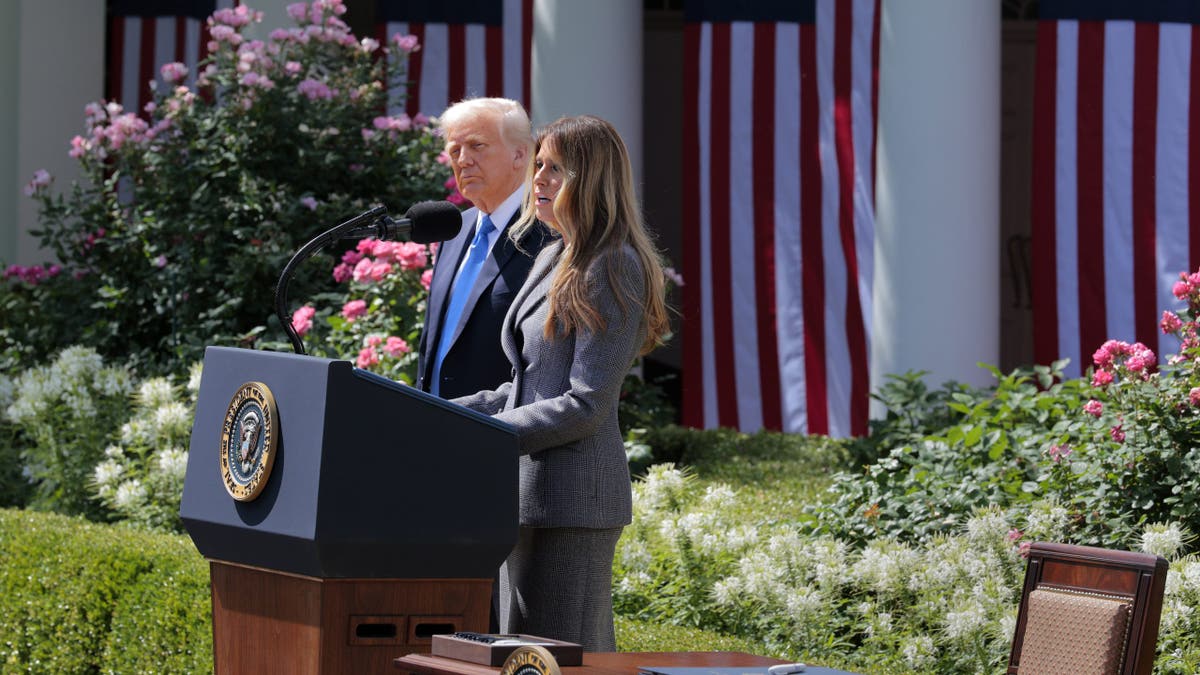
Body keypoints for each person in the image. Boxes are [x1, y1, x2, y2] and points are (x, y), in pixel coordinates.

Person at [452, 115, 671, 651]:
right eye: (540, 166)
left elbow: (585, 404)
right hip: (523, 495)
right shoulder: (555, 254)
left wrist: (485, 436)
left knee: (559, 661)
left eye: (556, 169)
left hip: (573, 504)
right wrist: (440, 414)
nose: (540, 179)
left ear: (592, 179)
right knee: (518, 657)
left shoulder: (614, 264)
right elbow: (526, 384)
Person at [417, 97, 549, 399]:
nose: (463, 160)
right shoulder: (454, 229)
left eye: (477, 146)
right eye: (454, 150)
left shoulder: (549, 233)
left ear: (520, 155)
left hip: (505, 433)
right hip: (434, 428)